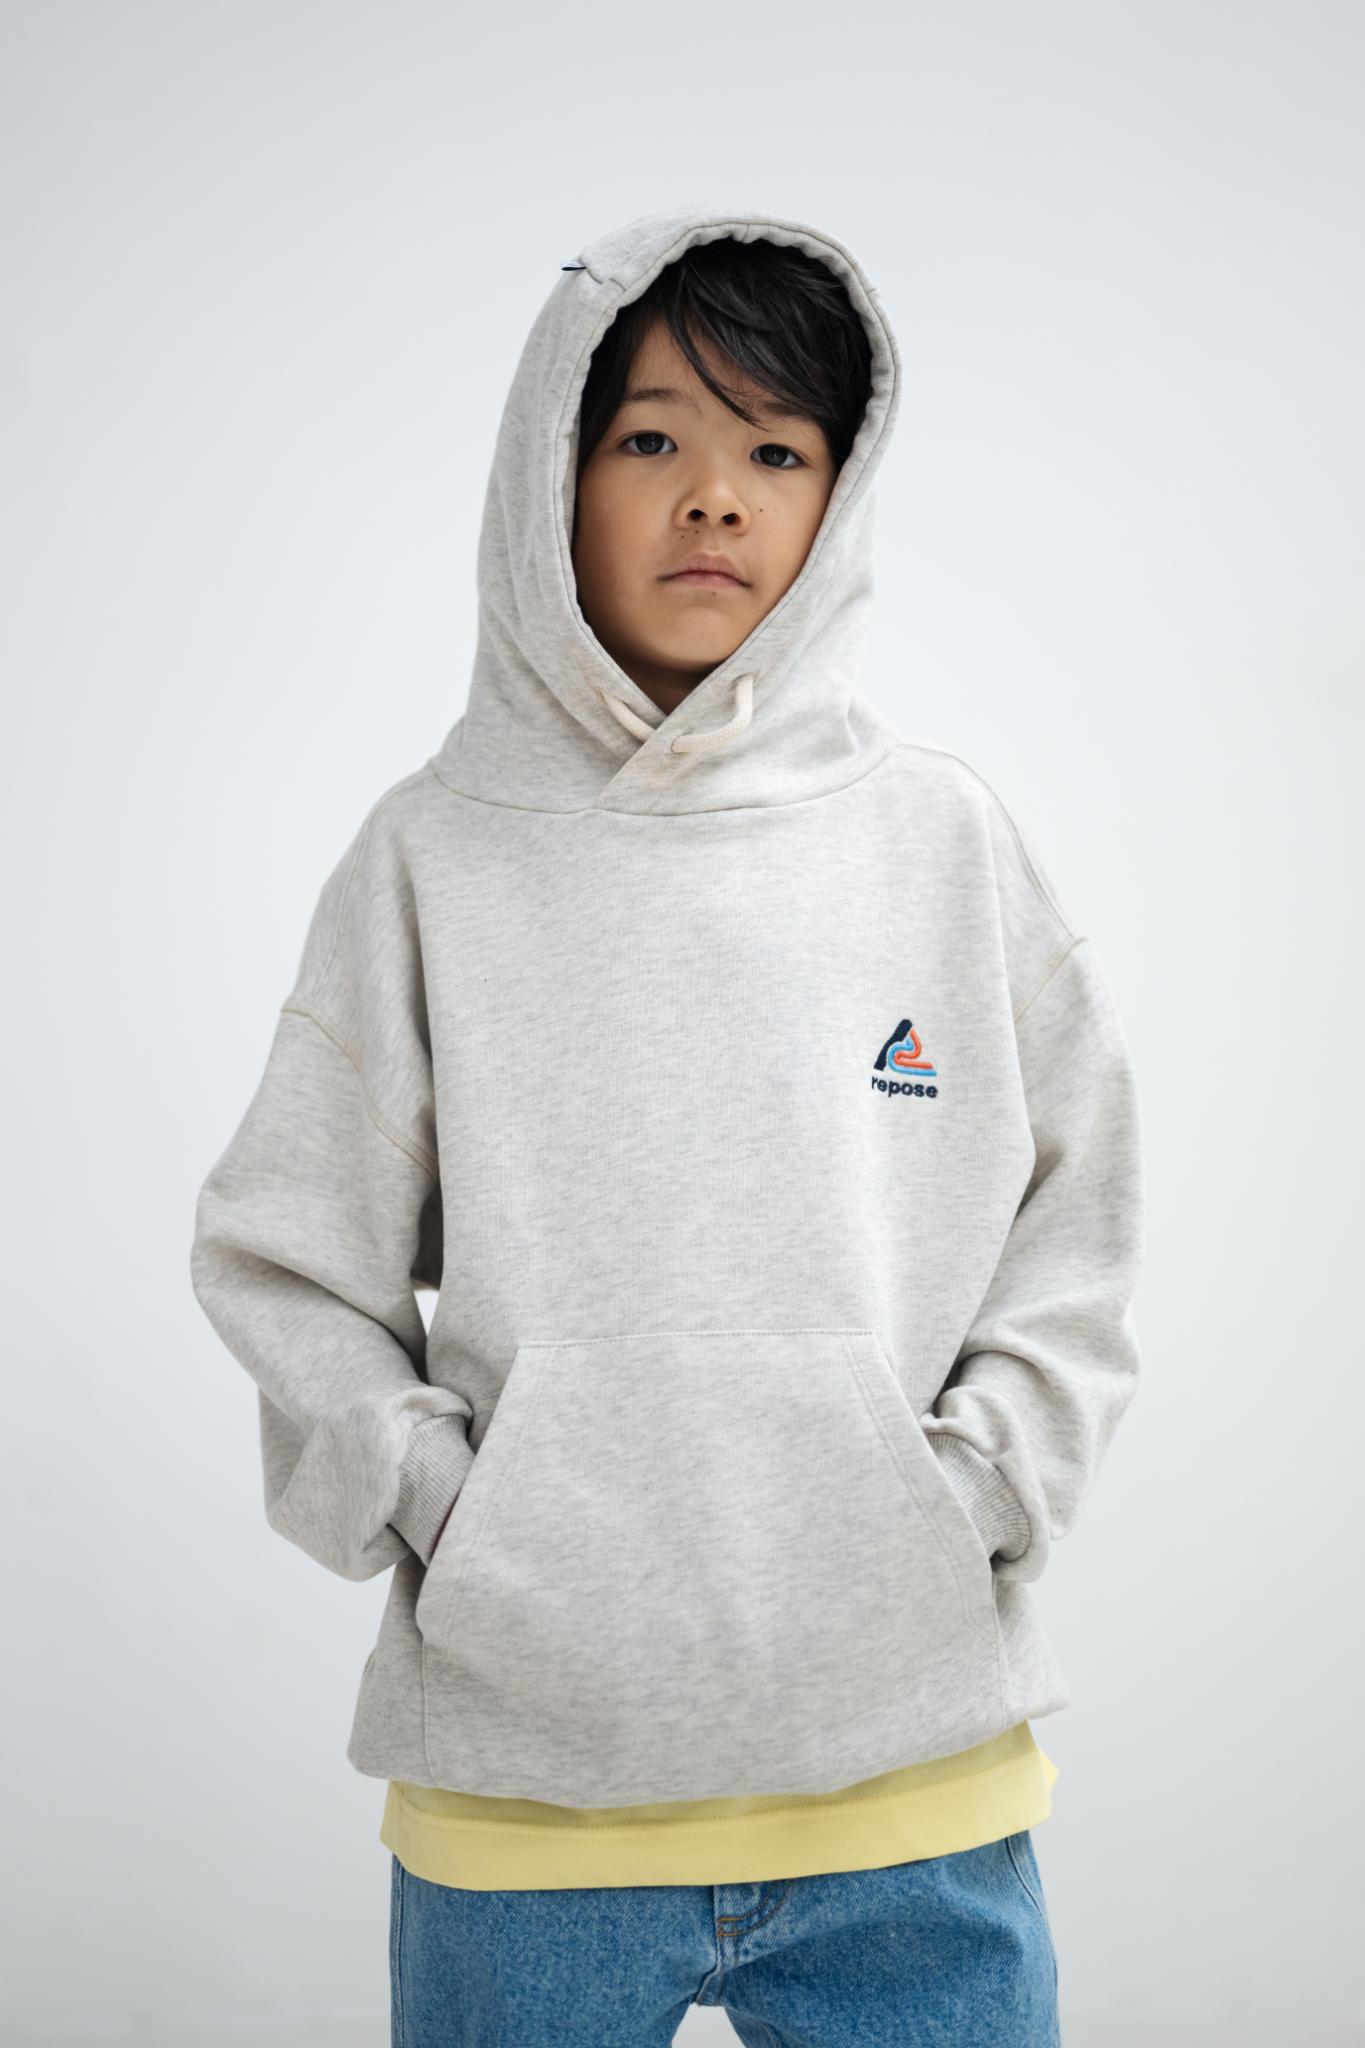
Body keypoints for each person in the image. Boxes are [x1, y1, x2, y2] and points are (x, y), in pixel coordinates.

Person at [190, 202, 1143, 2047]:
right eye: (650, 437)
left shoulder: (941, 843)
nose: (714, 495)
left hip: (911, 1798)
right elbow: (281, 1257)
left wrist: (977, 1497)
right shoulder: (429, 857)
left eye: (775, 450)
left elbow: (1077, 1218)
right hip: (522, 1812)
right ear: (547, 475)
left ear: (837, 498)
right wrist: (453, 1508)